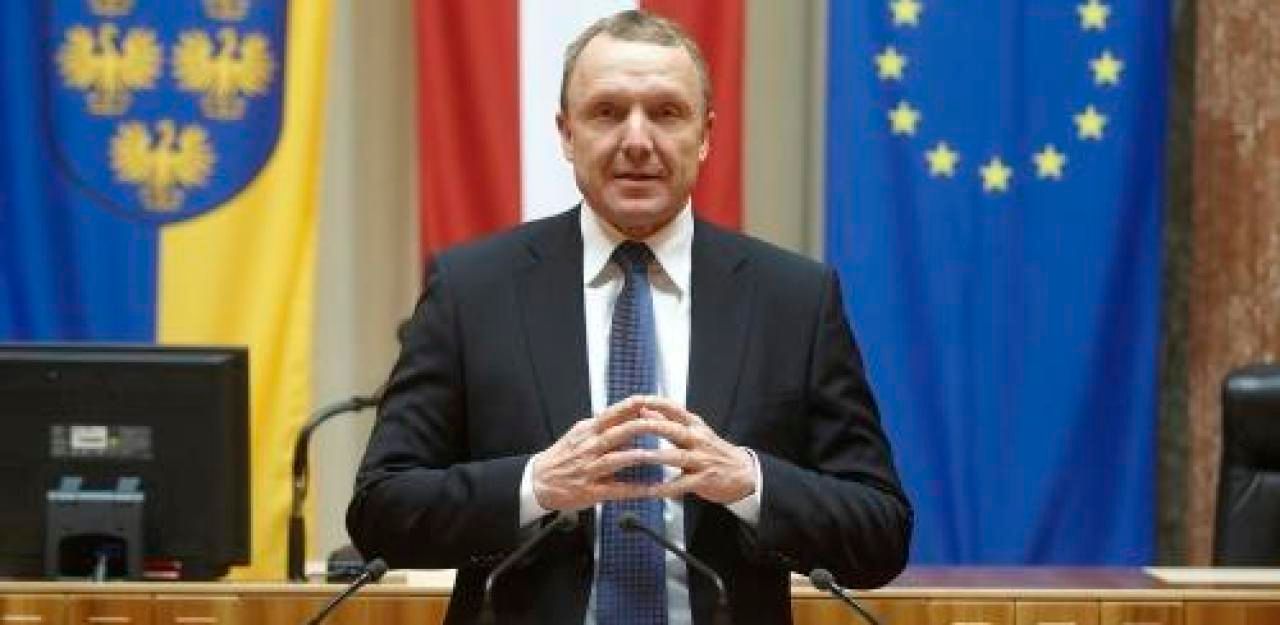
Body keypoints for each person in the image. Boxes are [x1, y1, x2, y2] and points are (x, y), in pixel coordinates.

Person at [347, 10, 911, 625]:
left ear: (705, 135)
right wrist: (535, 485)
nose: (637, 140)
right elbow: (380, 512)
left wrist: (748, 482)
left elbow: (880, 534)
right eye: (607, 112)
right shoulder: (472, 289)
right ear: (567, 134)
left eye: (666, 113)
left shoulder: (793, 299)